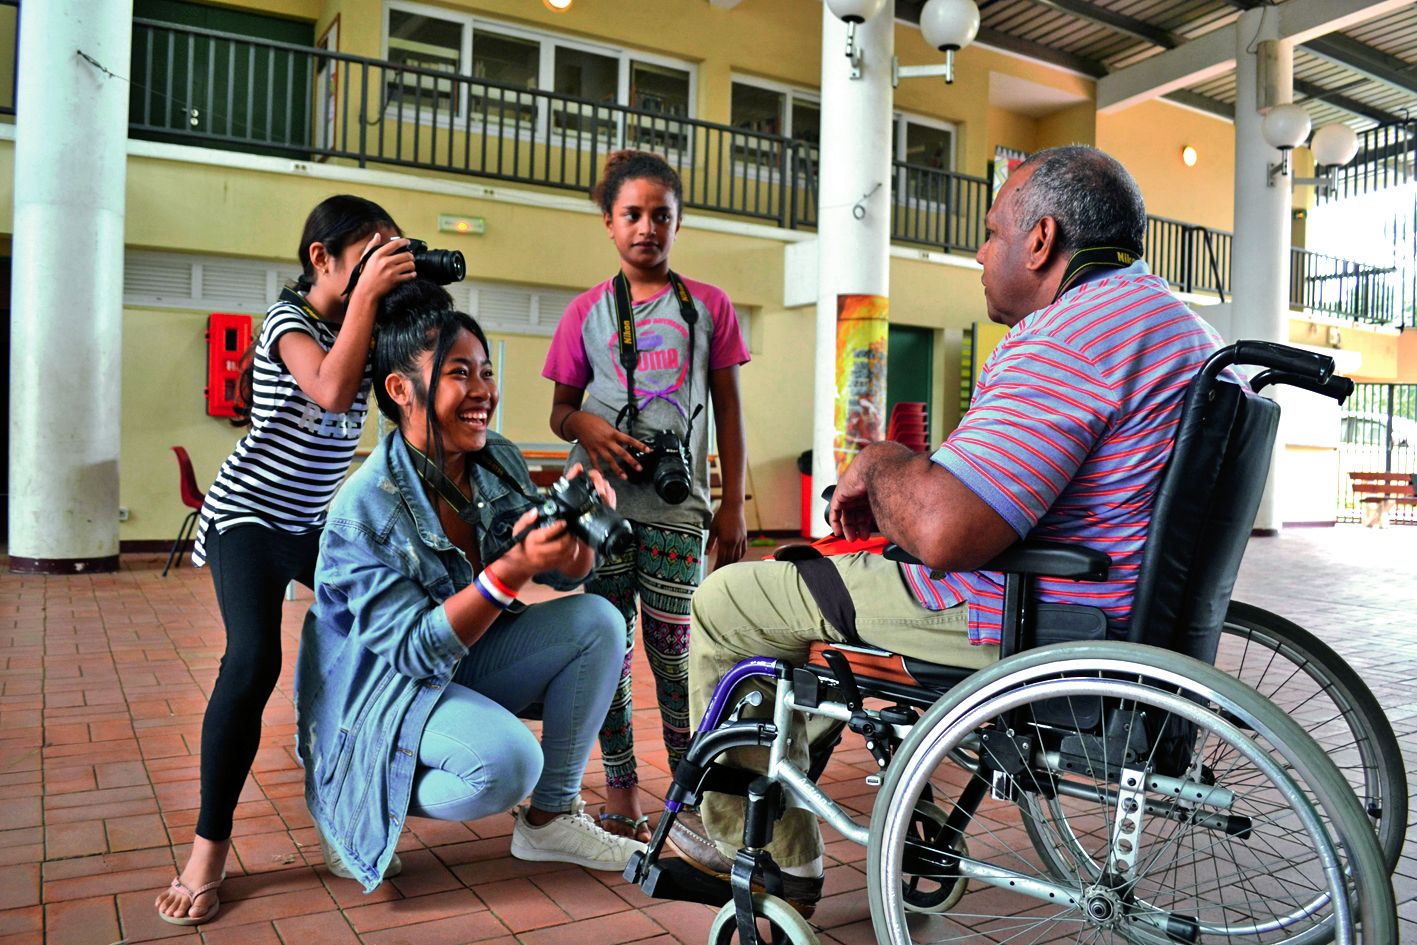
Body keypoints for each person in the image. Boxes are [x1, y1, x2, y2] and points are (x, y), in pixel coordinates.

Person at [665, 146, 1228, 917]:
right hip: (1120, 607)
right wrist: (911, 481)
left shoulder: (1072, 335)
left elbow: (944, 531)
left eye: (992, 231)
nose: (979, 249)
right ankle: (885, 804)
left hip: (1026, 614)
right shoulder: (1175, 326)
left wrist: (883, 461)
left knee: (731, 600)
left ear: (1041, 240)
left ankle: (764, 855)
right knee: (817, 605)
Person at [294, 285, 646, 894]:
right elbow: (414, 652)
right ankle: (347, 789)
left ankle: (551, 818)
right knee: (508, 765)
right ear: (401, 390)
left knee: (599, 622)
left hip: (456, 663)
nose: (484, 390)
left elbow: (565, 575)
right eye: (461, 373)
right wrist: (509, 571)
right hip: (381, 692)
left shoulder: (495, 460)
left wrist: (580, 538)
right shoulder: (364, 510)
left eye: (487, 371)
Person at [156, 195, 415, 926]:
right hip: (245, 515)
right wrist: (368, 296)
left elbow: (403, 400)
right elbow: (332, 390)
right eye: (369, 254)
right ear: (322, 258)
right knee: (251, 662)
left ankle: (347, 809)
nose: (377, 270)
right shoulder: (288, 321)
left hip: (312, 523)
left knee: (381, 637)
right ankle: (209, 847)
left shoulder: (363, 326)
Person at [542, 150, 751, 841]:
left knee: (674, 654)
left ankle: (688, 788)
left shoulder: (709, 308)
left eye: (661, 214)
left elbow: (727, 409)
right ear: (608, 222)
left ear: (678, 222)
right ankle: (622, 786)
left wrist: (730, 503)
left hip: (674, 509)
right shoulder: (584, 312)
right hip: (597, 508)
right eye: (631, 214)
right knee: (606, 650)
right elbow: (558, 411)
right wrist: (588, 428)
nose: (646, 227)